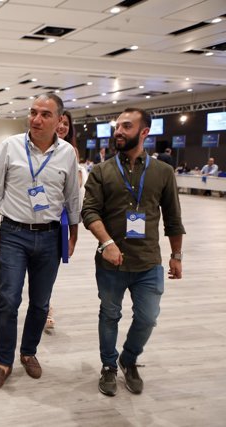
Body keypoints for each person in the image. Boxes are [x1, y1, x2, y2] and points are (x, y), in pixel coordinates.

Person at [82, 107, 185, 397]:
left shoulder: (163, 172)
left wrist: (176, 256)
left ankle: (129, 359)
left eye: (126, 126)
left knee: (148, 317)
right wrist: (107, 243)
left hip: (149, 262)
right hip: (111, 262)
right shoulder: (101, 171)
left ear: (144, 132)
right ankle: (108, 366)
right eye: (117, 126)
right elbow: (89, 211)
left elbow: (173, 218)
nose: (118, 131)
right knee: (109, 314)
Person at [0, 93, 80, 391]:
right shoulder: (10, 146)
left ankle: (28, 352)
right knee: (9, 299)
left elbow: (72, 195)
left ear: (59, 121)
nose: (36, 119)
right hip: (13, 233)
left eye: (45, 115)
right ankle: (3, 361)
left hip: (51, 236)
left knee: (40, 303)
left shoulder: (67, 153)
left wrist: (73, 232)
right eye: (33, 112)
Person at [44, 109, 86, 332]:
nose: (61, 127)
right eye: (59, 122)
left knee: (50, 267)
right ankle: (43, 304)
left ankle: (47, 306)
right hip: (35, 217)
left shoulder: (71, 152)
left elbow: (75, 188)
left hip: (59, 218)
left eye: (66, 124)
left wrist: (73, 231)